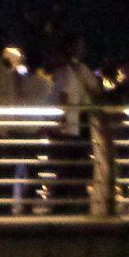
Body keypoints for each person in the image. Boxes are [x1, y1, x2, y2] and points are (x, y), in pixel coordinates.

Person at [48, 36, 98, 215]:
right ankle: (77, 204)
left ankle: (65, 206)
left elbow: (65, 97)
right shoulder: (78, 69)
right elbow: (93, 92)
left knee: (67, 167)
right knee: (73, 168)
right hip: (78, 122)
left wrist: (59, 119)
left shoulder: (67, 71)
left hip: (71, 124)